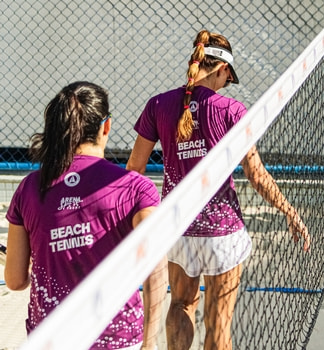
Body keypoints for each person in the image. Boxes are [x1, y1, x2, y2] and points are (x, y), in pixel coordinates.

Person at [126, 30, 311, 350]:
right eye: (229, 78)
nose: (228, 84)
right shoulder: (232, 111)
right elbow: (257, 176)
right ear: (223, 69)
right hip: (222, 231)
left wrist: (131, 221)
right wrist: (289, 210)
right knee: (218, 323)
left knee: (181, 304)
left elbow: (134, 170)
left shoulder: (158, 104)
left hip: (178, 228)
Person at [4, 81, 167, 350]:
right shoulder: (137, 188)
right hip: (117, 339)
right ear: (106, 126)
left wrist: (49, 257)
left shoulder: (29, 188)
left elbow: (15, 279)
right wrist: (150, 344)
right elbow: (156, 269)